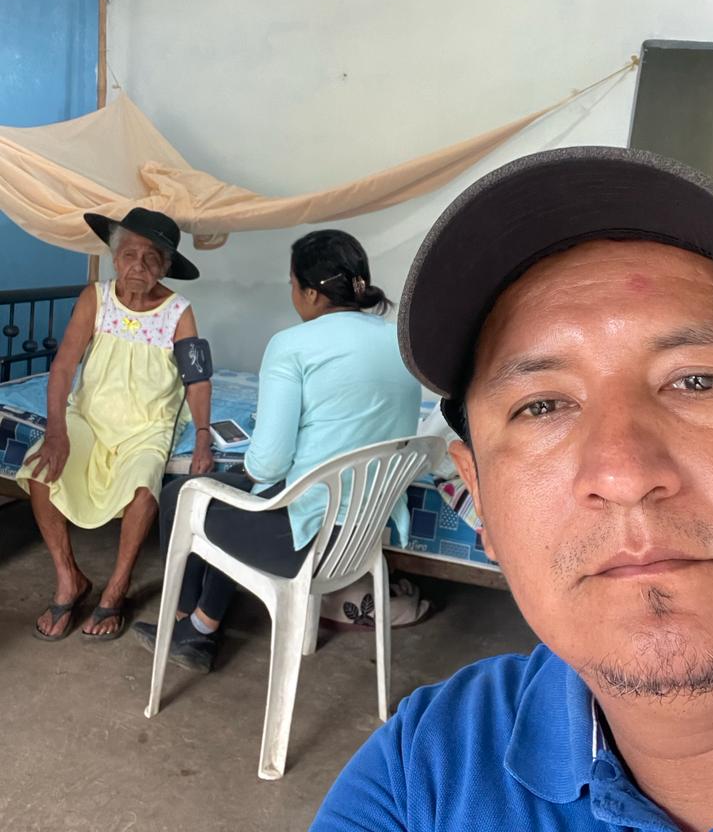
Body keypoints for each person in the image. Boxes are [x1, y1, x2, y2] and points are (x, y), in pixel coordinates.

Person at [310, 146, 713, 832]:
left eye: (697, 381)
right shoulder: (430, 765)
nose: (623, 475)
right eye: (542, 405)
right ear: (480, 500)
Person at [133, 229, 421, 672]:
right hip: (364, 531)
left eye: (292, 284)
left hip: (306, 539)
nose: (292, 294)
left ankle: (187, 623)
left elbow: (267, 463)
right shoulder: (401, 343)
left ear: (311, 293)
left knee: (183, 494)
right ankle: (200, 625)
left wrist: (256, 465)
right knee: (230, 493)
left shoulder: (293, 346)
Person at [17, 208, 212, 641]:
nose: (137, 266)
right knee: (38, 469)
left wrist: (202, 435)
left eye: (151, 258)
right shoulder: (96, 298)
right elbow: (64, 366)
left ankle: (117, 588)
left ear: (164, 267)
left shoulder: (179, 311)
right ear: (114, 257)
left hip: (147, 426)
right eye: (128, 255)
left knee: (144, 488)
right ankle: (69, 579)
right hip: (90, 418)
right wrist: (56, 431)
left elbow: (197, 379)